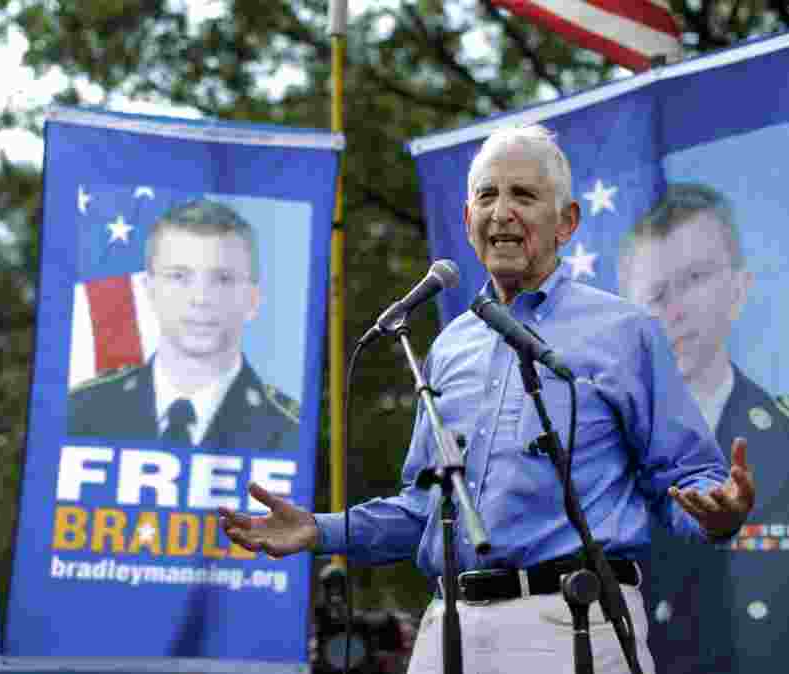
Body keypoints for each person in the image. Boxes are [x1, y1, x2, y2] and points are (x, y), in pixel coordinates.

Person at [219, 125, 755, 674]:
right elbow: (425, 509)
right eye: (487, 195)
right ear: (466, 218)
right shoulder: (449, 346)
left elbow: (688, 477)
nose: (501, 212)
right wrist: (319, 529)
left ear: (566, 222)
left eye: (523, 196)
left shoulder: (625, 331)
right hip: (448, 625)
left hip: (572, 622)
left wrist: (717, 514)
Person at [618, 183, 789, 673]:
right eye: (655, 293)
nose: (673, 310)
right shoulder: (603, 466)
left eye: (695, 277)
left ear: (739, 289)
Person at [67, 198, 300, 451]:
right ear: (150, 291)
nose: (200, 299)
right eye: (179, 277)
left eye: (222, 279)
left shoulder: (292, 430)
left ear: (252, 300)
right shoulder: (78, 413)